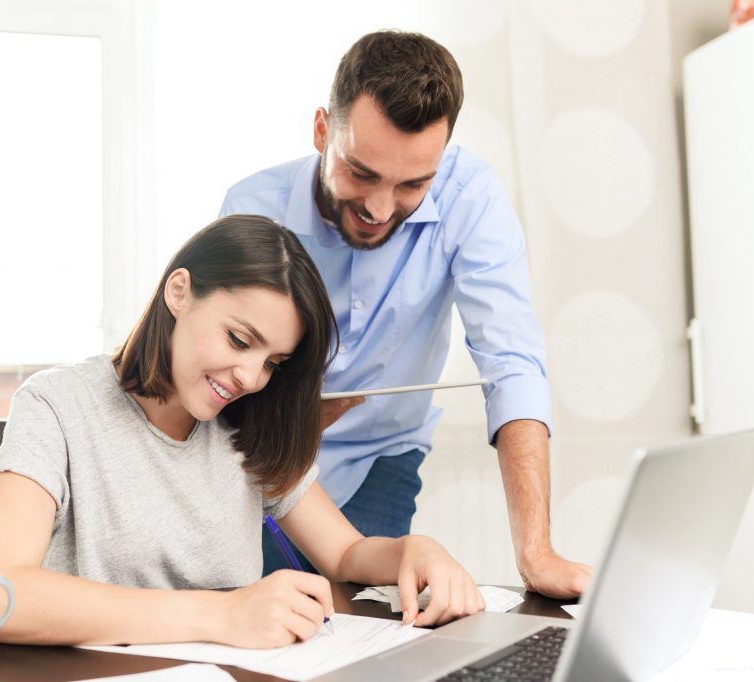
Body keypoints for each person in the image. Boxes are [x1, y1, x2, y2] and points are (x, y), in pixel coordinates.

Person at [0, 214, 484, 648]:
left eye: (273, 363)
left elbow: (346, 554)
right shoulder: (57, 404)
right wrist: (222, 615)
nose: (251, 378)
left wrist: (412, 551)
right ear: (180, 292)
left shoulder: (253, 422)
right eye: (239, 339)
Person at [220, 31, 591, 599]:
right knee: (257, 612)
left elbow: (511, 363)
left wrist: (535, 553)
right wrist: (296, 420)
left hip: (380, 457)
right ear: (323, 130)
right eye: (361, 173)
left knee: (356, 625)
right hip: (264, 456)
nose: (378, 208)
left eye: (413, 183)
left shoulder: (470, 198)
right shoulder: (251, 209)